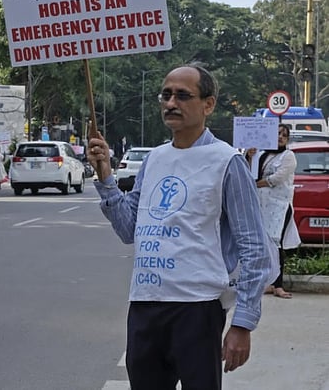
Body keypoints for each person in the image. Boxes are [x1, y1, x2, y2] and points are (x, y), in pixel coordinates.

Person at [86, 63, 275, 388]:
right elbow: (128, 228)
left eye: (183, 95)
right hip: (145, 305)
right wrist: (105, 176)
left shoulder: (226, 162)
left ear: (208, 104)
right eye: (167, 94)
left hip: (197, 309)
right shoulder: (154, 159)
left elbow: (255, 249)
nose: (171, 103)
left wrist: (243, 323)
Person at [245, 123, 300, 299]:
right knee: (262, 244)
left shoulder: (288, 156)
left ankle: (278, 285)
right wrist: (249, 156)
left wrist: (255, 184)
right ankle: (266, 282)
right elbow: (250, 172)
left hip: (279, 207)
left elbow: (276, 178)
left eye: (284, 135)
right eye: (277, 134)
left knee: (276, 245)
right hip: (261, 204)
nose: (280, 137)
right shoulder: (262, 154)